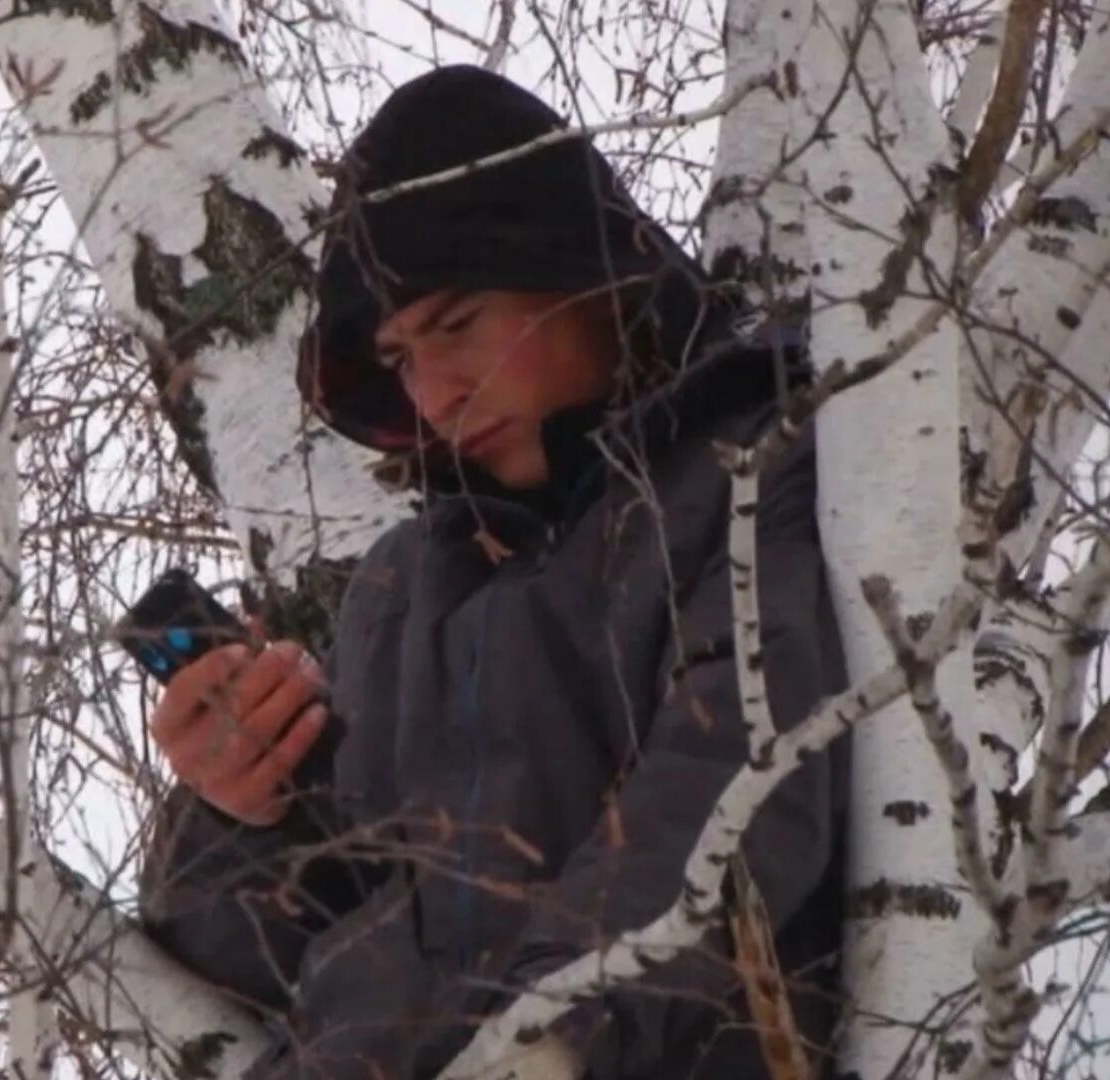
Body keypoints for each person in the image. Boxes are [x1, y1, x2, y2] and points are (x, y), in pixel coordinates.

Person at [138, 66, 851, 1079]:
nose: (437, 393)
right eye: (399, 360)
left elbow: (732, 800)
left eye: (459, 325)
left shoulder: (748, 476)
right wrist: (230, 815)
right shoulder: (400, 593)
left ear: (587, 280)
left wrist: (544, 1048)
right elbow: (248, 968)